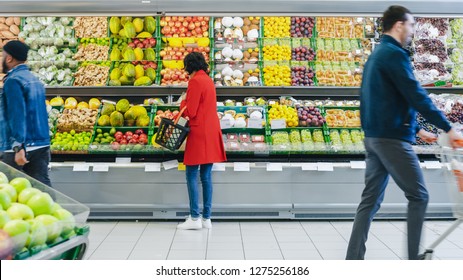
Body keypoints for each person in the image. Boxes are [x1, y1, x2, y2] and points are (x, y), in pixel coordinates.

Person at [346, 5, 463, 260]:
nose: (412, 31)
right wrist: (447, 127)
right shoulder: (394, 55)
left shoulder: (377, 55)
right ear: (399, 25)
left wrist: (418, 129)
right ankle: (413, 261)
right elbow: (415, 95)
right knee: (419, 196)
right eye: (410, 25)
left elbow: (381, 98)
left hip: (375, 138)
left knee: (369, 201)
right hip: (392, 140)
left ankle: (353, 260)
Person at [177, 52, 227, 230]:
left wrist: (182, 101)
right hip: (212, 131)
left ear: (189, 66)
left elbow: (191, 111)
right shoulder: (208, 80)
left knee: (191, 174)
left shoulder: (195, 81)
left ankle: (194, 218)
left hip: (199, 133)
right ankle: (206, 218)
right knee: (206, 176)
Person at [0, 40, 51, 186]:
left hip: (19, 147)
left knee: (11, 189)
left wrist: (18, 146)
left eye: (3, 55)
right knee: (42, 188)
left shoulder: (13, 81)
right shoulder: (35, 80)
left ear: (9, 58)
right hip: (41, 144)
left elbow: (17, 114)